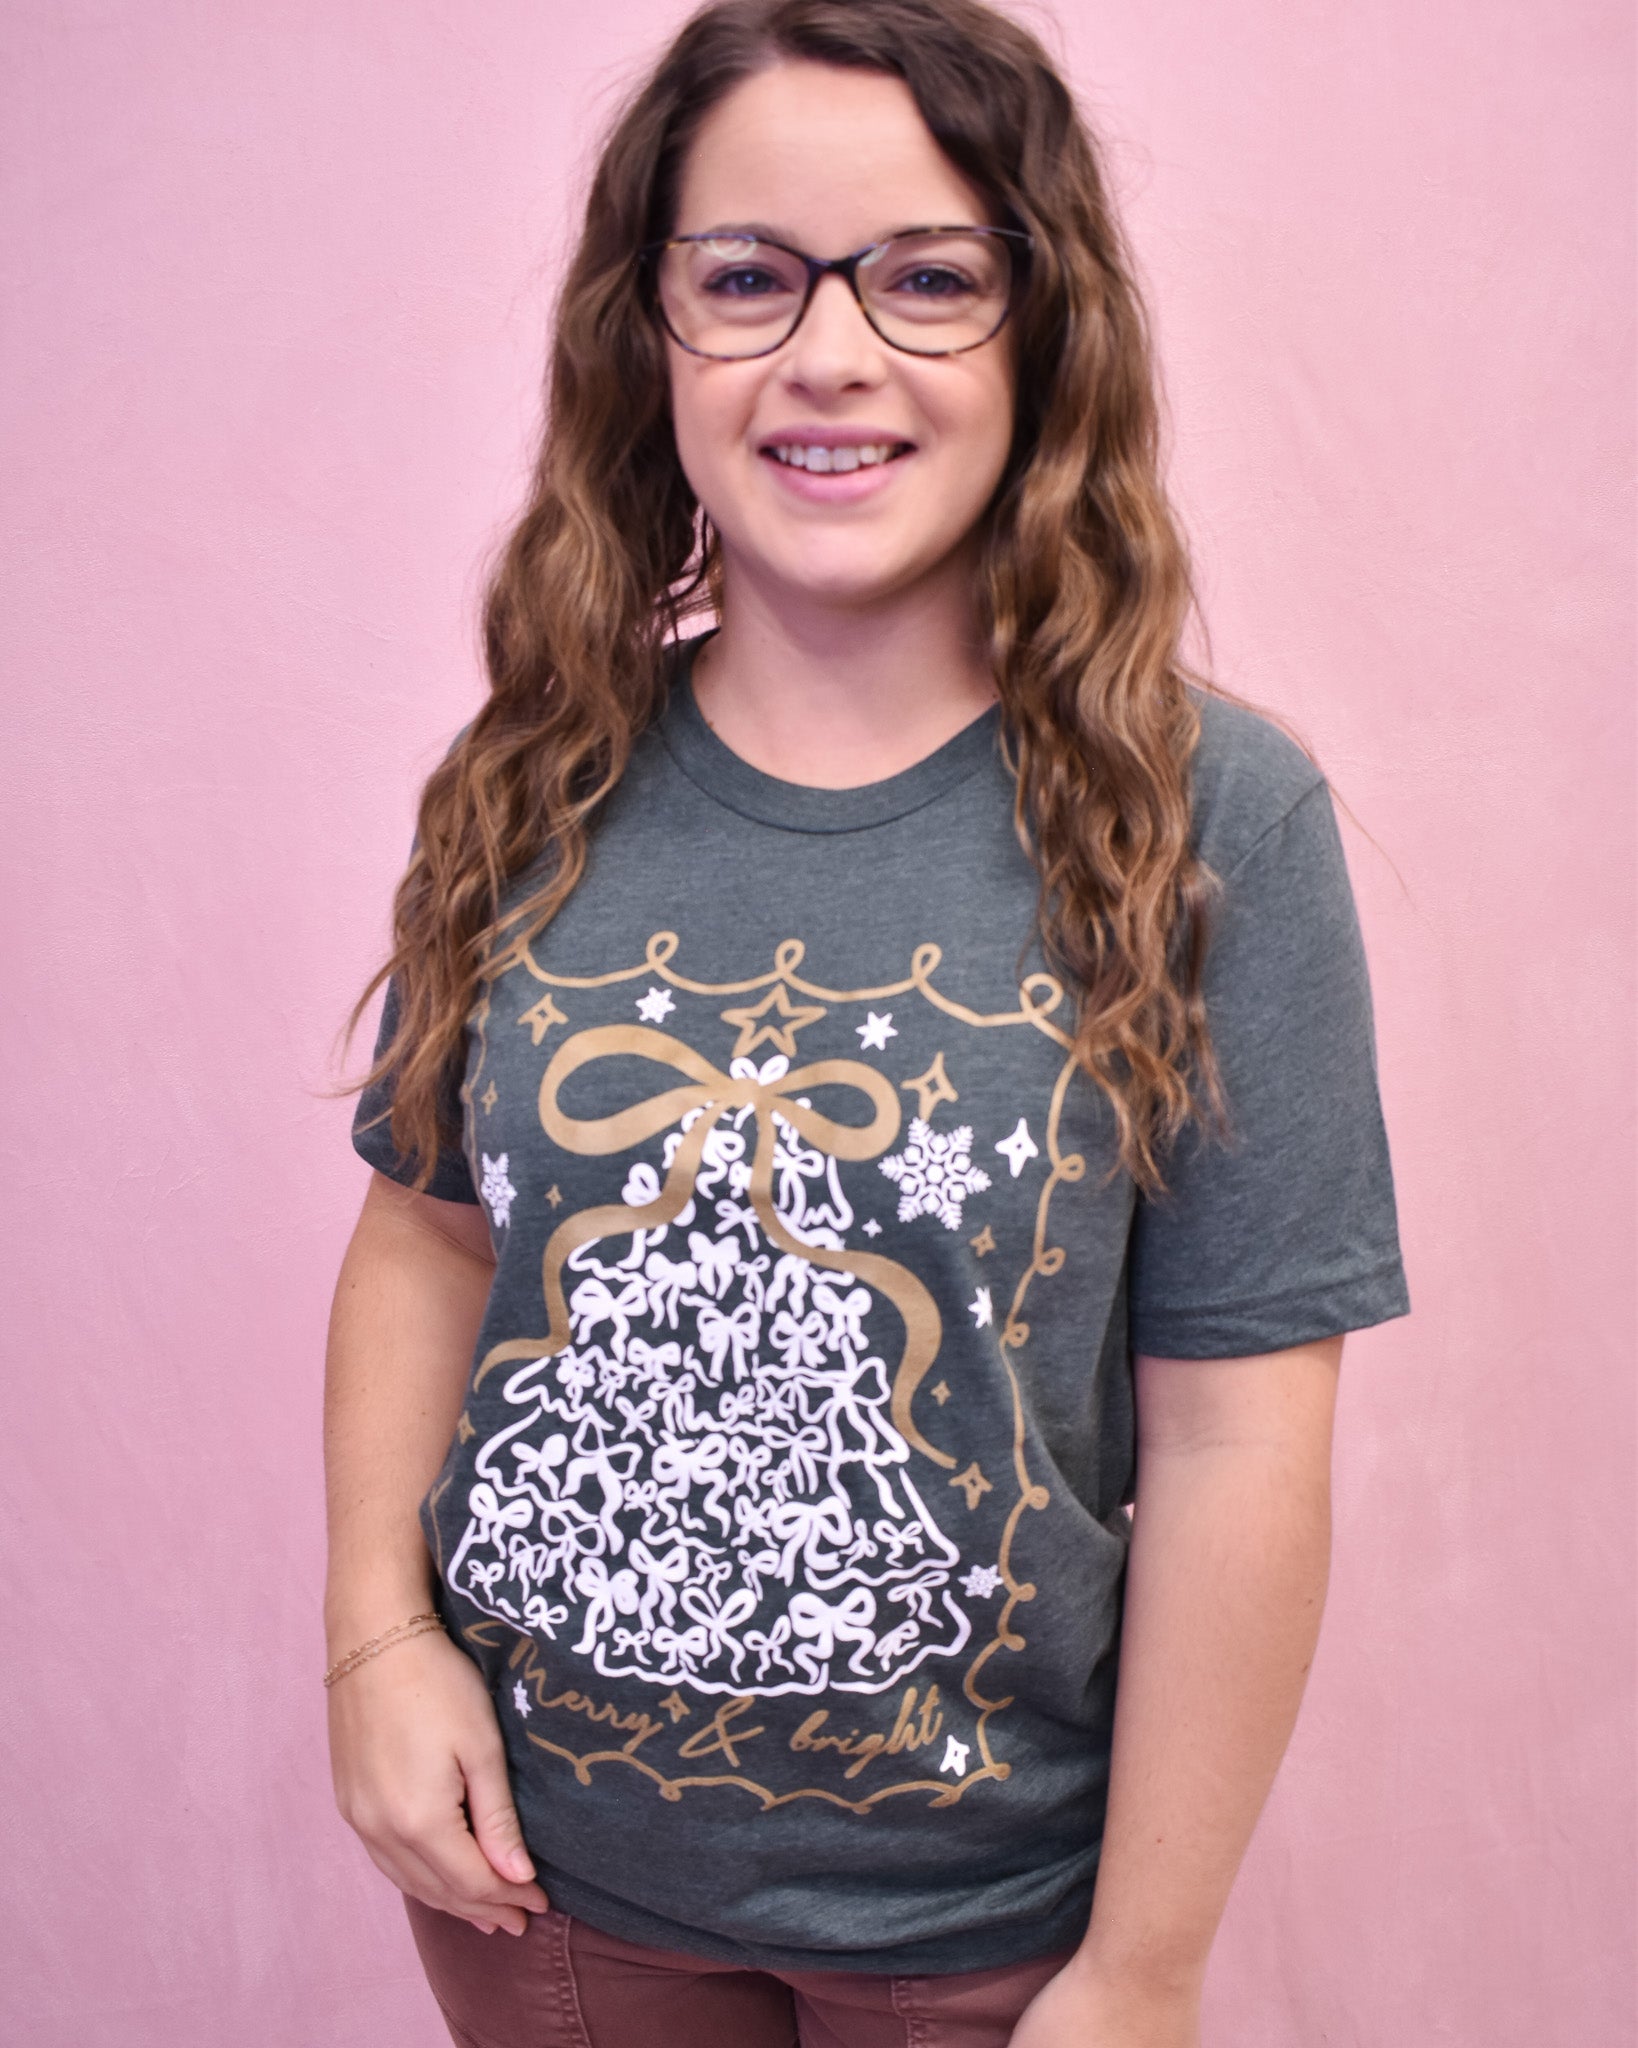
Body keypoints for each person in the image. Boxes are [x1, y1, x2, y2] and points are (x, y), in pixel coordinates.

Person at [322, 3, 1411, 2043]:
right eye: (747, 279)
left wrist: (1148, 1961)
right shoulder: (534, 770)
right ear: (649, 334)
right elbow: (425, 1229)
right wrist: (377, 1642)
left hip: (992, 1930)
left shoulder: (1211, 819)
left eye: (927, 278)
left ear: (1043, 329)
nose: (831, 353)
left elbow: (1241, 1424)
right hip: (538, 1894)